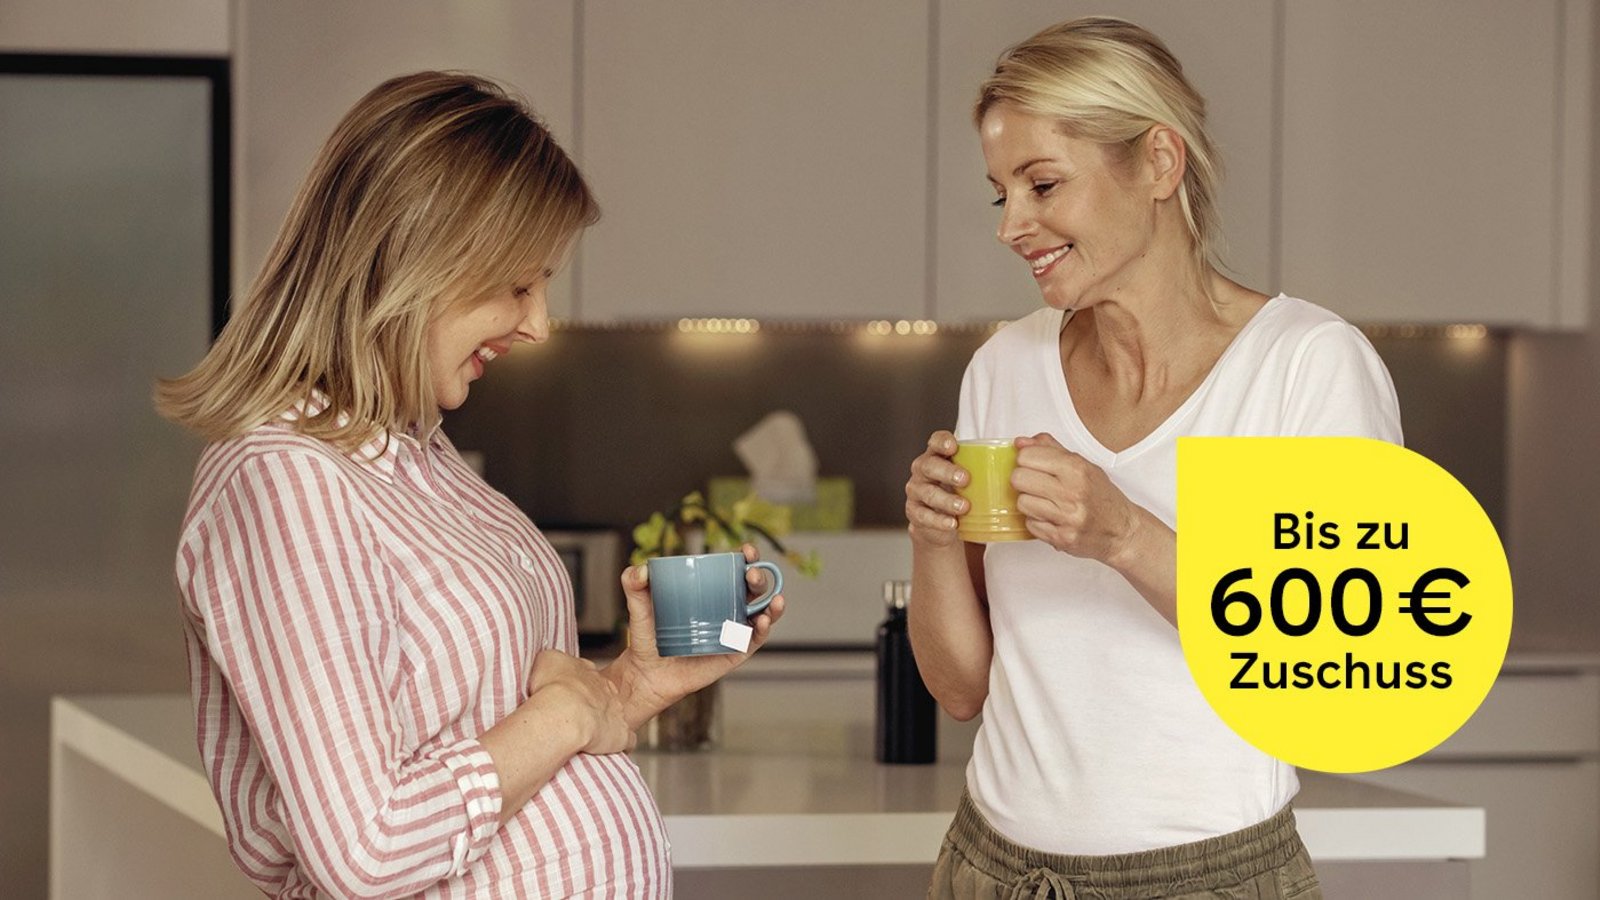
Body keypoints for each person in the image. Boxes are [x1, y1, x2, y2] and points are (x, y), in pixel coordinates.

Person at [156, 71, 784, 898]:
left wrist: (625, 690)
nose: (540, 324)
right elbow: (368, 848)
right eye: (518, 285)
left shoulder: (424, 456)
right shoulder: (284, 481)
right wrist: (564, 713)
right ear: (410, 260)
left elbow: (490, 732)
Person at [905, 18, 1399, 899]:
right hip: (989, 870)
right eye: (1000, 194)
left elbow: (1339, 676)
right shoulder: (1005, 367)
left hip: (1208, 877)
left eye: (1042, 184)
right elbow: (961, 690)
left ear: (1160, 163)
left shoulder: (1304, 366)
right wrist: (934, 540)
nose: (1011, 225)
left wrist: (1126, 535)